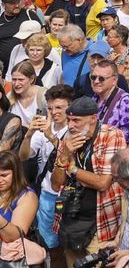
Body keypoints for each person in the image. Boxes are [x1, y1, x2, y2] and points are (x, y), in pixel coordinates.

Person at [51, 95, 127, 267]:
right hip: (71, 217)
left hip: (100, 222)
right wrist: (64, 157)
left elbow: (102, 183)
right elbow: (56, 184)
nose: (70, 125)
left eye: (76, 120)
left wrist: (72, 169)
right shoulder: (68, 139)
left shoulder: (112, 135)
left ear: (93, 118)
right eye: (69, 120)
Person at [21, 83, 71, 267]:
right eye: (50, 108)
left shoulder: (76, 128)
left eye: (59, 108)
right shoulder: (43, 128)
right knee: (50, 244)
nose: (54, 112)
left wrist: (50, 135)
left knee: (69, 245)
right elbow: (24, 155)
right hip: (47, 194)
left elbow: (69, 155)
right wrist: (28, 135)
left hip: (69, 196)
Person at [90, 57, 129, 146]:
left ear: (114, 80)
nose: (96, 81)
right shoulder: (94, 98)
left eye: (101, 78)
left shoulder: (126, 102)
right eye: (93, 77)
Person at [0, 0, 41, 75]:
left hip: (32, 64)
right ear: (3, 5)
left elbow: (43, 34)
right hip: (7, 68)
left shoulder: (29, 14)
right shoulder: (0, 20)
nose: (17, 5)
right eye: (12, 3)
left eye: (18, 2)